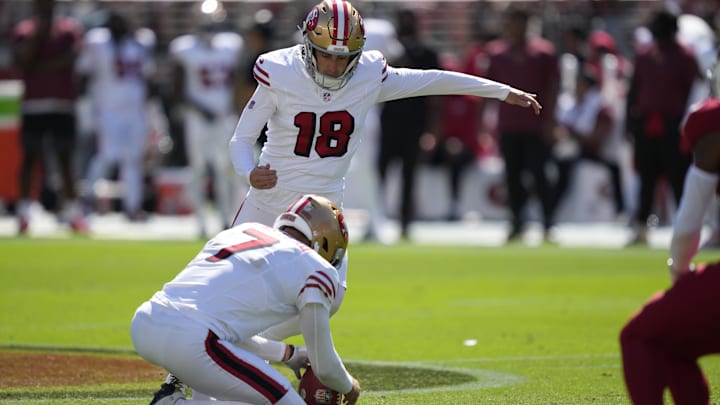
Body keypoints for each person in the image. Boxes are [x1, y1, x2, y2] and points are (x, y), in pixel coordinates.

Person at [228, 0, 541, 329]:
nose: (335, 66)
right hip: (270, 198)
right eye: (327, 55)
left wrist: (501, 92)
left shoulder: (367, 76)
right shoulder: (281, 71)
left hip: (323, 207)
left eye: (344, 58)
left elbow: (434, 80)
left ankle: (248, 348)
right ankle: (202, 358)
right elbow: (240, 139)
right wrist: (248, 172)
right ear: (308, 46)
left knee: (327, 299)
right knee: (228, 281)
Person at [131, 194, 361, 405]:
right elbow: (325, 366)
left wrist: (287, 353)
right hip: (193, 339)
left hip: (146, 321)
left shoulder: (244, 231)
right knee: (286, 401)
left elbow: (222, 328)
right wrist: (349, 386)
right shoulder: (317, 267)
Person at [619, 89, 720, 404]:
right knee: (675, 345)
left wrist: (679, 272)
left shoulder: (710, 132)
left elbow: (687, 226)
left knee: (639, 335)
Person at [479, 5, 559, 243]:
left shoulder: (544, 52)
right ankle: (516, 222)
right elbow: (486, 87)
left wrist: (550, 121)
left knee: (540, 176)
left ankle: (547, 223)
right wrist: (483, 122)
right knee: (512, 177)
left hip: (535, 125)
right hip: (509, 126)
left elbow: (553, 88)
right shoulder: (496, 53)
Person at [10, 0, 86, 234]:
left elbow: (71, 60)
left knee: (65, 159)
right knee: (30, 158)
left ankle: (74, 213)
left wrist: (39, 67)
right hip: (34, 104)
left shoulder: (69, 29)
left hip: (62, 103)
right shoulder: (25, 30)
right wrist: (40, 34)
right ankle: (23, 213)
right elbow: (23, 60)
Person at [625, 9, 701, 244]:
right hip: (647, 124)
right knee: (647, 179)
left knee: (679, 179)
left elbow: (693, 91)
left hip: (674, 125)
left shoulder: (685, 56)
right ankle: (641, 228)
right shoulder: (644, 55)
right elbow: (634, 90)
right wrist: (630, 123)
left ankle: (684, 229)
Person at [76, 11, 155, 221]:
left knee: (133, 160)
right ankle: (86, 199)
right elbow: (84, 74)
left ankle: (132, 206)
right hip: (107, 109)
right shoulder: (97, 41)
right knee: (106, 156)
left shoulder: (140, 42)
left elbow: (147, 77)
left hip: (134, 109)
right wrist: (85, 106)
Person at [168, 19, 244, 237]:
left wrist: (234, 110)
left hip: (223, 117)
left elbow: (236, 81)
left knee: (225, 170)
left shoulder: (231, 45)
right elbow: (178, 87)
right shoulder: (185, 49)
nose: (209, 32)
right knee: (198, 169)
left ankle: (225, 218)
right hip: (197, 118)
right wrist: (200, 109)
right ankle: (200, 221)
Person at [377, 8, 442, 239]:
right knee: (381, 172)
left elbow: (436, 96)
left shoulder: (427, 53)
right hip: (390, 121)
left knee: (409, 175)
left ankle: (405, 223)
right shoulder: (384, 53)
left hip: (415, 123)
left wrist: (433, 130)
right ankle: (377, 218)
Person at [552, 66, 626, 219]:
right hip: (566, 151)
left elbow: (595, 138)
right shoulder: (569, 104)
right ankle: (551, 211)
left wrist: (571, 134)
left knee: (614, 168)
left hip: (591, 152)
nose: (576, 89)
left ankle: (621, 211)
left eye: (580, 85)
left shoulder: (601, 109)